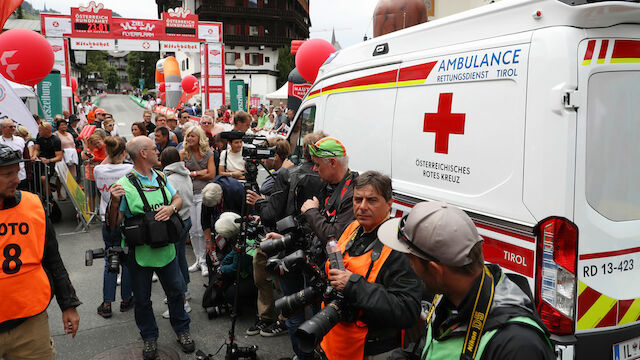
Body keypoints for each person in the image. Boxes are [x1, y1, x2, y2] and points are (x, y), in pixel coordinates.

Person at [378, 201, 555, 360]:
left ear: (436, 271)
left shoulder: (518, 346)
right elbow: (428, 349)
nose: (410, 267)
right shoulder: (446, 298)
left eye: (411, 260)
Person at [312, 171, 422, 359]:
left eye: (372, 200)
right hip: (331, 343)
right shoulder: (353, 227)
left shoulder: (399, 247)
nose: (362, 207)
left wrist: (353, 285)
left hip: (367, 350)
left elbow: (407, 310)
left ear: (389, 203)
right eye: (357, 199)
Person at [107, 136, 195, 359]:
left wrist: (170, 209)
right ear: (143, 154)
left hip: (167, 249)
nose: (158, 151)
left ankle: (182, 330)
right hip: (140, 253)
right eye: (154, 149)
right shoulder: (124, 185)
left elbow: (178, 200)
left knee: (176, 292)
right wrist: (114, 201)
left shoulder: (161, 177)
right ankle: (149, 337)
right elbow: (113, 224)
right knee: (142, 300)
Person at [0, 144, 81, 359]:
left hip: (30, 322)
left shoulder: (32, 205)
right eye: (8, 174)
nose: (17, 180)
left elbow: (53, 258)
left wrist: (68, 305)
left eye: (17, 172)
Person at [93, 136, 134, 318]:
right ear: (124, 153)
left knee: (110, 260)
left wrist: (110, 154)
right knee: (127, 261)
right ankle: (126, 300)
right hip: (126, 219)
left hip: (107, 219)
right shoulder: (130, 169)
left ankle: (107, 303)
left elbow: (106, 162)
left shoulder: (98, 169)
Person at [301, 137, 357, 244]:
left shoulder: (354, 194)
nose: (314, 169)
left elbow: (334, 238)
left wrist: (311, 212)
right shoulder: (326, 185)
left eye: (317, 164)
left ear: (332, 163)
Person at [160, 147, 194, 319]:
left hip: (176, 222)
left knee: (173, 261)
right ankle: (185, 291)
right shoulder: (185, 173)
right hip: (186, 220)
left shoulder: (169, 178)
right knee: (180, 257)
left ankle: (182, 302)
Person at [180, 126, 216, 277]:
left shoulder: (208, 153)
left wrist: (193, 173)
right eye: (188, 136)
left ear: (199, 138)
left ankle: (205, 261)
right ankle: (198, 259)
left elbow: (212, 175)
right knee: (193, 231)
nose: (189, 139)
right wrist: (202, 173)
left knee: (203, 229)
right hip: (189, 194)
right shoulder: (183, 153)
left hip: (203, 194)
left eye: (192, 136)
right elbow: (182, 174)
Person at [32, 122, 62, 197]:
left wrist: (49, 161)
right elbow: (37, 149)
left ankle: (49, 198)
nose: (38, 131)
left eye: (40, 130)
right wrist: (35, 155)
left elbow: (59, 157)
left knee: (43, 178)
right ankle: (45, 196)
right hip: (40, 161)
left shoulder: (56, 140)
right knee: (38, 180)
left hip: (50, 162)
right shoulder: (39, 136)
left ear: (47, 130)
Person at [0, 119, 26, 188]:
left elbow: (26, 156)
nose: (13, 128)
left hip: (21, 176)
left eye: (14, 126)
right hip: (4, 178)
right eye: (10, 127)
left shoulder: (20, 140)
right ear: (3, 128)